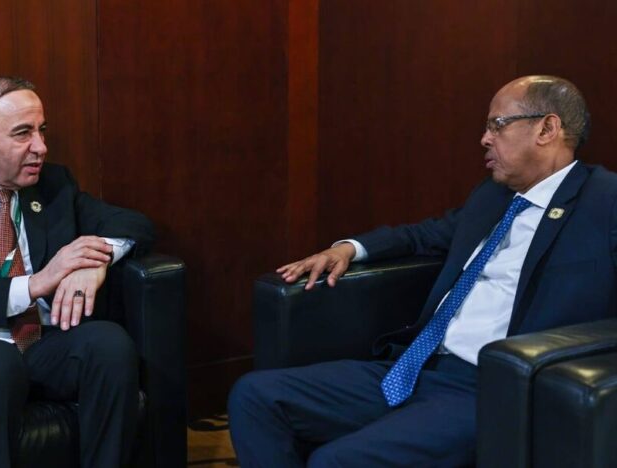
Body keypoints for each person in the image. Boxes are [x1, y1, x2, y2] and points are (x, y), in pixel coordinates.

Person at [228, 75, 617, 466]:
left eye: (497, 125)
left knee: (336, 461)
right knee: (256, 396)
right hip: (418, 366)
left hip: (489, 390)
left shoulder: (606, 202)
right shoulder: (493, 196)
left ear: (547, 129)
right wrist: (347, 249)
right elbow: (423, 236)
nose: (484, 138)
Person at [0, 77, 155, 467]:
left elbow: (134, 224)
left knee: (108, 344)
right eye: (23, 133)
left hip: (38, 343)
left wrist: (95, 260)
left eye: (42, 131)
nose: (40, 147)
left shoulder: (53, 185)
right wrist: (36, 283)